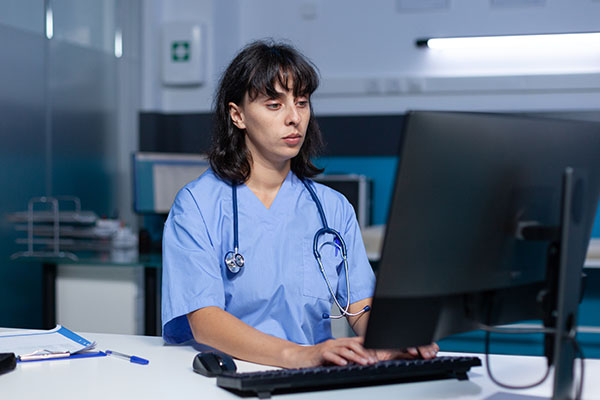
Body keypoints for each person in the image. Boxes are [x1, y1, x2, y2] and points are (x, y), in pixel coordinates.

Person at [161, 40, 438, 368]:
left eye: (302, 102)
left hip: (312, 375)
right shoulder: (197, 205)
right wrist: (298, 354)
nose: (295, 118)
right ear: (238, 116)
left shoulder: (332, 209)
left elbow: (360, 305)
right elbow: (204, 320)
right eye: (274, 105)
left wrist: (390, 339)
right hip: (229, 374)